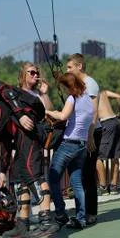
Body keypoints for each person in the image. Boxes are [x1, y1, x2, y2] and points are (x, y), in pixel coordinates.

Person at [0, 79, 59, 238]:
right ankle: (22, 224)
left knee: (33, 173)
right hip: (20, 137)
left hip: (28, 131)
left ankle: (46, 220)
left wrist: (20, 114)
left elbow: (8, 91)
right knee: (18, 175)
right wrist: (3, 171)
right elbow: (5, 141)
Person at [46, 72, 95, 229]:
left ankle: (60, 213)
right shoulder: (88, 99)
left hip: (69, 143)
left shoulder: (72, 98)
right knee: (77, 183)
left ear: (69, 86)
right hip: (82, 144)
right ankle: (81, 218)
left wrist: (49, 112)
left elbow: (63, 116)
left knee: (53, 178)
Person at [66, 53, 101, 225]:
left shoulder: (90, 84)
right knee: (78, 175)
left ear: (79, 66)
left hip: (90, 133)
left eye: (70, 67)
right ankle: (81, 212)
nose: (68, 70)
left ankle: (91, 213)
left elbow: (93, 112)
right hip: (80, 134)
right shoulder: (78, 85)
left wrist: (90, 136)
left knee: (88, 173)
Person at [96, 90, 120, 195]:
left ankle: (103, 187)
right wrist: (119, 113)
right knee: (115, 155)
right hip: (116, 121)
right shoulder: (103, 92)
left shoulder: (90, 94)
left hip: (106, 123)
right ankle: (113, 186)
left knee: (97, 156)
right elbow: (119, 96)